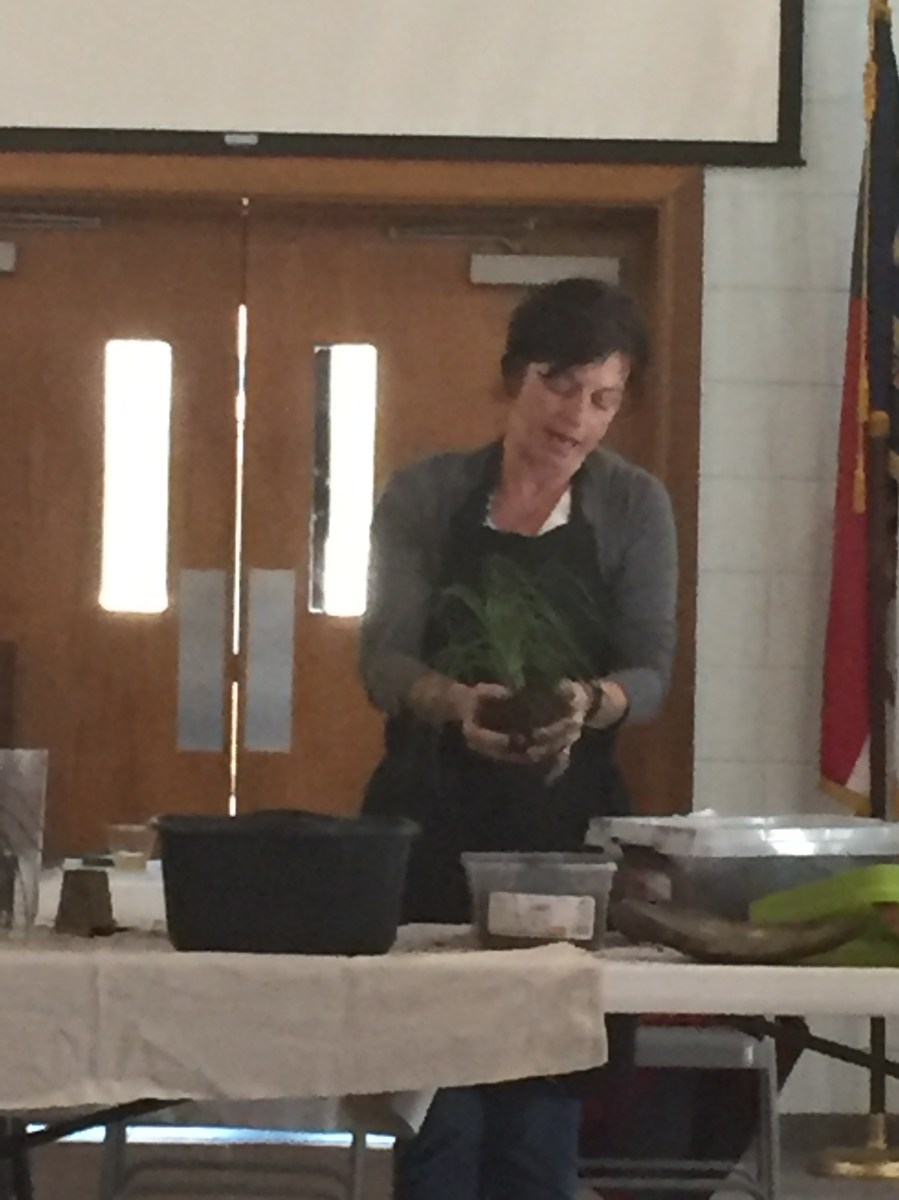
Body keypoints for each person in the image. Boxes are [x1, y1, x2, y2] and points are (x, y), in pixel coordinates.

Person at [358, 276, 678, 1200]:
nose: (576, 418)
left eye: (603, 398)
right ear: (513, 378)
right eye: (559, 384)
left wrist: (586, 701)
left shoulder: (634, 506)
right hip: (429, 823)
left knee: (540, 1124)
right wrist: (455, 702)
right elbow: (381, 659)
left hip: (563, 843)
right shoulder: (426, 493)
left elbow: (651, 672)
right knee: (439, 1121)